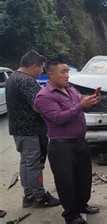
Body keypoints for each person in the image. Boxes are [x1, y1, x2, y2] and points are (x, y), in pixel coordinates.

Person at [34, 58, 100, 224]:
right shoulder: (44, 96)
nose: (67, 75)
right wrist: (81, 106)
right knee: (66, 181)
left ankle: (82, 204)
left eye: (67, 71)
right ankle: (71, 214)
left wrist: (91, 99)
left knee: (84, 177)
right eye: (63, 72)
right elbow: (57, 118)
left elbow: (80, 103)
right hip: (61, 146)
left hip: (80, 141)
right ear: (50, 74)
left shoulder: (70, 89)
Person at [6, 51, 60, 209]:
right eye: (41, 68)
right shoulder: (26, 81)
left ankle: (29, 195)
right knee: (34, 164)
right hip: (31, 130)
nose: (42, 71)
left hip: (18, 129)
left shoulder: (13, 77)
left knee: (26, 163)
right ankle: (40, 196)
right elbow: (38, 105)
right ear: (34, 65)